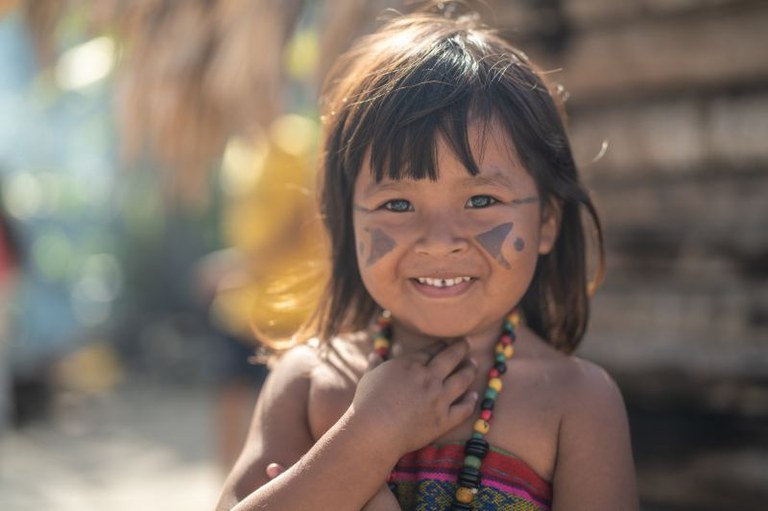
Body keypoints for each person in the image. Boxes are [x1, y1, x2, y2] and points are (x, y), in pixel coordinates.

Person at [217, 4, 638, 510]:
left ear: (547, 221)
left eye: (481, 201)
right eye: (398, 204)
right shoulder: (310, 381)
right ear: (347, 221)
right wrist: (367, 435)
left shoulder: (578, 402)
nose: (439, 241)